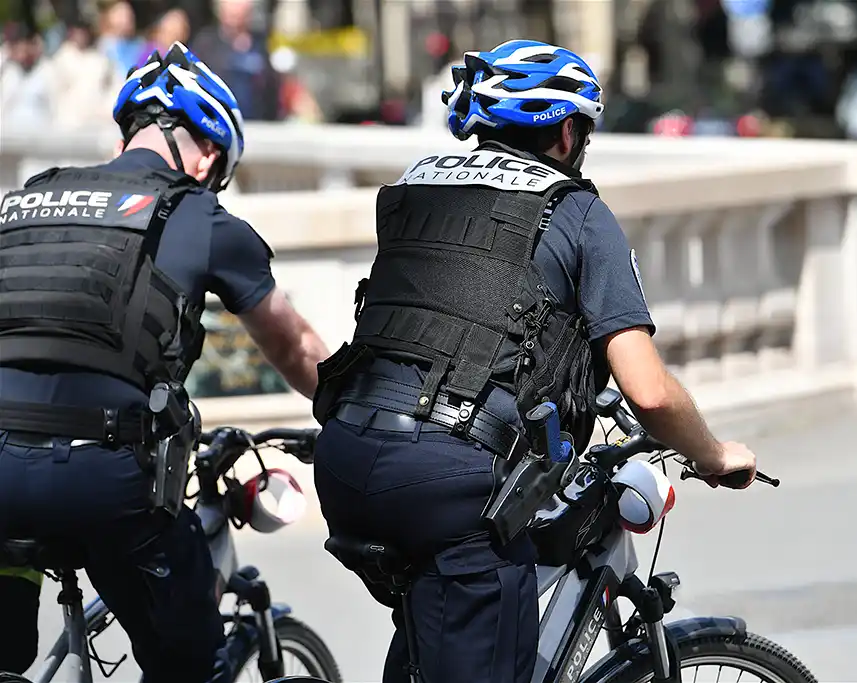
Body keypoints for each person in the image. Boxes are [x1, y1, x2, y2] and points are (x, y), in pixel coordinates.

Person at [311, 39, 759, 683]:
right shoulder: (576, 212)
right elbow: (649, 390)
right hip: (449, 478)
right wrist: (713, 454)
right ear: (568, 130)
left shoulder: (420, 185)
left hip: (348, 454)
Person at [0, 42, 328, 682]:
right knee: (190, 661)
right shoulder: (199, 216)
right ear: (206, 151)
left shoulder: (23, 203)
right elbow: (295, 348)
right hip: (100, 480)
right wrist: (352, 415)